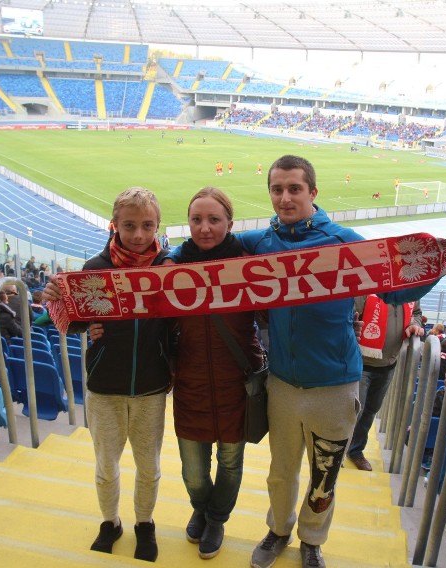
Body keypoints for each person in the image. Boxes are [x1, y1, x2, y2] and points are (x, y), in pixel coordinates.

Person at [241, 155, 446, 568]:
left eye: (294, 189)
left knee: (324, 475)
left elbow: (395, 293)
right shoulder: (259, 243)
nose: (285, 198)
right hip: (283, 385)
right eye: (277, 189)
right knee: (280, 472)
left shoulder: (345, 242)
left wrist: (440, 269)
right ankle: (278, 530)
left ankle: (311, 540)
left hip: (336, 386)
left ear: (312, 192)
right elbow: (208, 260)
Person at [44, 187, 171, 562]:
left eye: (147, 226)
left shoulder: (169, 268)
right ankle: (110, 521)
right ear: (114, 225)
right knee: (105, 465)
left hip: (151, 386)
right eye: (129, 226)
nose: (138, 235)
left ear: (157, 225)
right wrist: (55, 294)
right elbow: (78, 319)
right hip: (104, 385)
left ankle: (144, 523)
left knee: (149, 466)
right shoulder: (95, 269)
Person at [162, 187, 265, 559]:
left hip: (236, 381)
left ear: (230, 223)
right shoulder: (170, 268)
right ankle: (201, 507)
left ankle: (216, 518)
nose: (204, 228)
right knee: (193, 471)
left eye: (213, 220)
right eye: (196, 220)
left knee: (230, 461)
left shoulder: (249, 262)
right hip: (189, 382)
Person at [347, 297, 423, 471]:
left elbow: (417, 313)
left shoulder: (411, 291)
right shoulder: (369, 287)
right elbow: (351, 315)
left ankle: (356, 451)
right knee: (354, 411)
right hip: (360, 362)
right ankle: (339, 450)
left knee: (371, 410)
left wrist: (414, 323)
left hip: (388, 364)